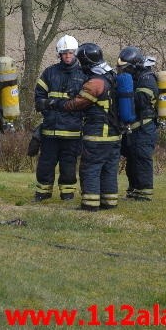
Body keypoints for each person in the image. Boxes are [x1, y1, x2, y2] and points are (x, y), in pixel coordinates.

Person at [38, 43, 121, 211]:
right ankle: (109, 202)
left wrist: (56, 103)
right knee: (109, 170)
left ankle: (89, 205)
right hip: (114, 134)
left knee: (90, 168)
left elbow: (77, 104)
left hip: (97, 134)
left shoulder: (95, 82)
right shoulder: (112, 76)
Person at [33, 35, 85, 201]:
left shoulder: (84, 74)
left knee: (68, 166)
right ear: (59, 54)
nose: (67, 56)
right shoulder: (49, 72)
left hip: (73, 131)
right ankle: (42, 193)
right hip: (50, 130)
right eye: (64, 53)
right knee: (45, 165)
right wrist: (49, 106)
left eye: (70, 53)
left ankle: (67, 194)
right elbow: (38, 99)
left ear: (75, 53)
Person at [117, 46, 159, 201]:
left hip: (144, 128)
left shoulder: (147, 78)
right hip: (133, 129)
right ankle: (133, 190)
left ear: (134, 66)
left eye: (126, 68)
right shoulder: (133, 78)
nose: (123, 71)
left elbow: (141, 101)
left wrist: (125, 94)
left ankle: (144, 193)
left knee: (142, 159)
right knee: (132, 159)